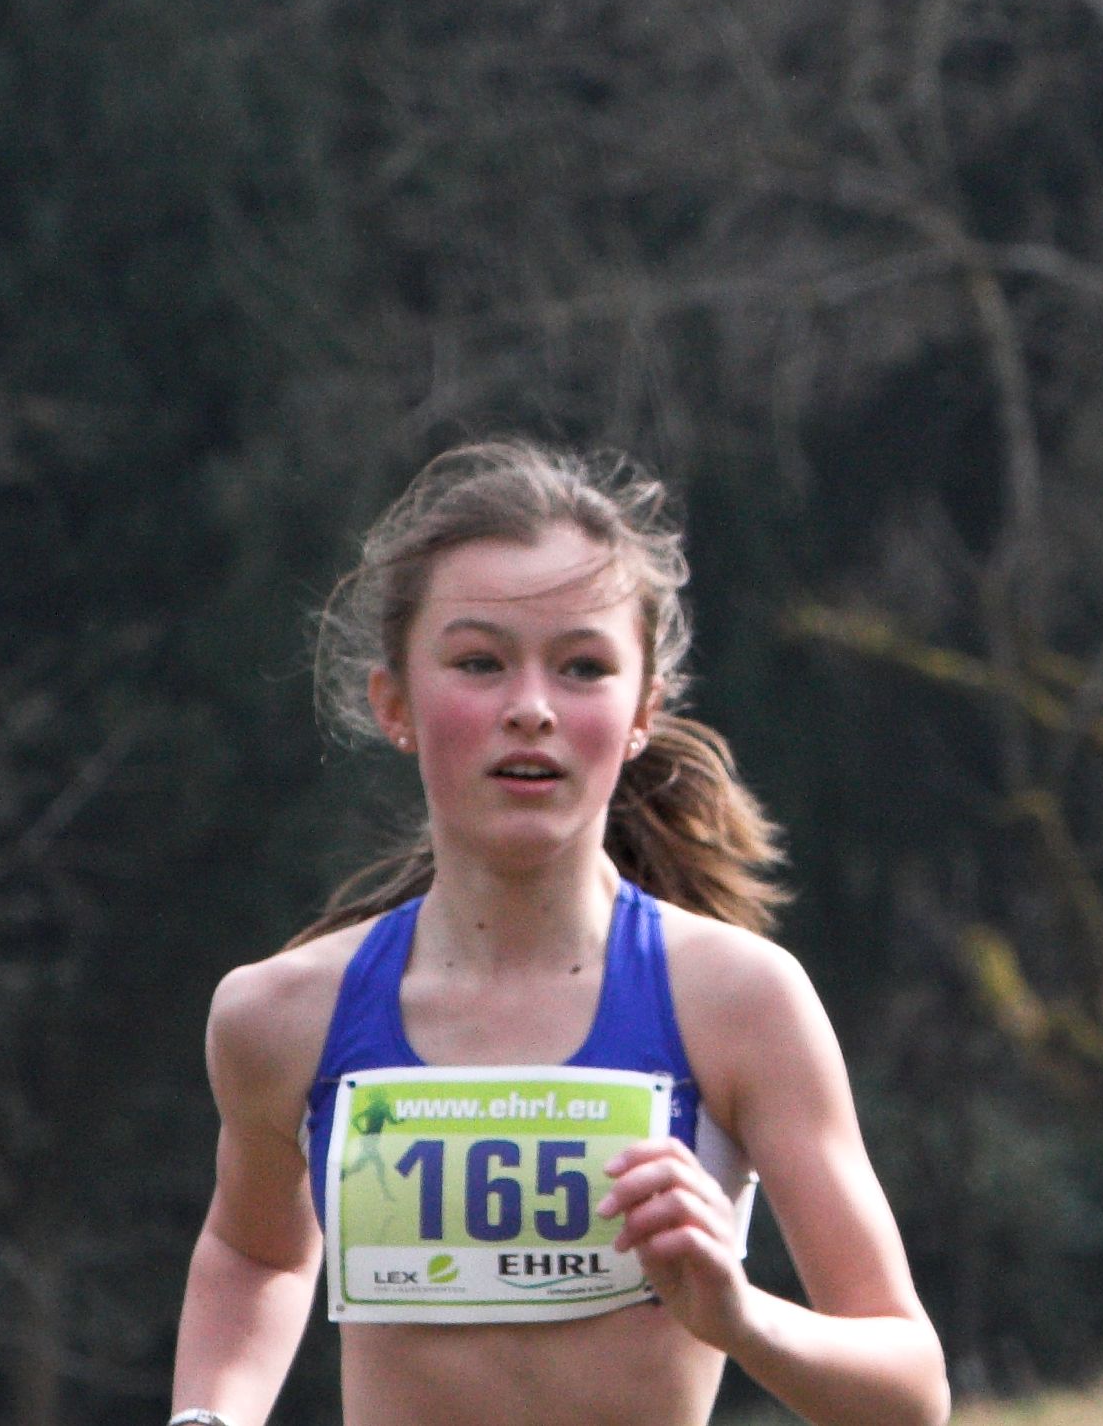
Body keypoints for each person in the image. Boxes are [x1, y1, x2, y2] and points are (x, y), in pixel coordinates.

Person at [171, 441, 949, 1426]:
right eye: (479, 663)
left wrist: (740, 1316)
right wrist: (206, 1418)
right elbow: (256, 1254)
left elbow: (911, 1391)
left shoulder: (741, 1003)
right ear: (394, 703)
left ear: (641, 711)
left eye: (582, 667)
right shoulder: (278, 1016)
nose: (531, 709)